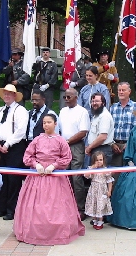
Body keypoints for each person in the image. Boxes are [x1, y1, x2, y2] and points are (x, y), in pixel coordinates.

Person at [13, 114, 85, 245]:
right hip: (37, 176)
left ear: (55, 124)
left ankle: (57, 231)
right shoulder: (37, 139)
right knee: (35, 205)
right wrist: (36, 164)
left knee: (56, 206)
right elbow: (27, 156)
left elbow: (66, 157)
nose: (46, 125)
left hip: (55, 177)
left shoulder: (61, 140)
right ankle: (32, 230)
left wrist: (55, 165)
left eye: (49, 122)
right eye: (44, 122)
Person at [0, 84, 28, 220]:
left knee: (13, 179)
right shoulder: (0, 110)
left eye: (9, 94)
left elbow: (20, 131)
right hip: (0, 145)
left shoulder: (21, 110)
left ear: (15, 96)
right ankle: (1, 207)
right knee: (1, 178)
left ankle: (11, 210)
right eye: (5, 94)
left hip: (15, 146)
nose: (6, 96)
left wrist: (7, 144)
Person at [58, 88, 90, 220]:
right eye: (65, 97)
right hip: (63, 145)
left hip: (76, 145)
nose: (66, 99)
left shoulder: (82, 112)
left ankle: (80, 208)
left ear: (76, 97)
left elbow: (83, 131)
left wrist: (68, 141)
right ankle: (65, 206)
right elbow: (59, 128)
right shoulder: (62, 111)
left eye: (69, 97)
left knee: (76, 177)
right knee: (64, 177)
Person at [110, 82, 136, 174]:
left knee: (128, 173)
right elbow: (108, 128)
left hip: (130, 145)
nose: (121, 92)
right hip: (114, 145)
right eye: (119, 90)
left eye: (123, 90)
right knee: (114, 174)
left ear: (129, 91)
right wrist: (112, 143)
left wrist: (129, 144)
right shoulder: (113, 108)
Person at [84, 151, 114, 230]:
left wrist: (109, 191)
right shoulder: (91, 169)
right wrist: (92, 167)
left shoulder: (105, 170)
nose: (99, 162)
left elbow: (109, 181)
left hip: (102, 190)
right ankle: (94, 220)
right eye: (97, 160)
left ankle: (100, 221)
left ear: (104, 160)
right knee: (93, 204)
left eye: (100, 160)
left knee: (101, 205)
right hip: (93, 190)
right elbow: (86, 175)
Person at [85, 93, 114, 166]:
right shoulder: (97, 115)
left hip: (103, 151)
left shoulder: (104, 116)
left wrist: (89, 147)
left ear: (103, 103)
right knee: (95, 176)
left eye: (97, 101)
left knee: (102, 176)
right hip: (96, 149)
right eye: (92, 101)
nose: (94, 103)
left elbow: (102, 137)